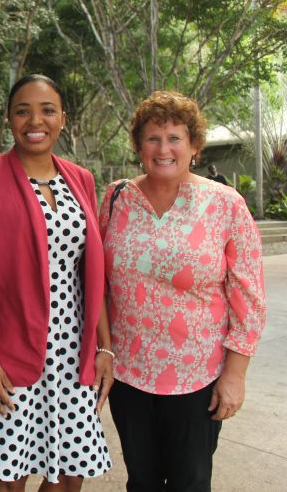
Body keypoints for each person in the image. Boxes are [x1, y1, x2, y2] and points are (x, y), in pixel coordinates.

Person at [99, 91, 266, 491]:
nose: (163, 149)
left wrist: (235, 374)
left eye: (174, 138)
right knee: (141, 479)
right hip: (129, 373)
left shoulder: (226, 204)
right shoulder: (117, 197)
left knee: (190, 482)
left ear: (193, 146)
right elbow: (99, 283)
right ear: (139, 146)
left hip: (197, 376)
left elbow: (250, 297)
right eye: (153, 138)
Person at [0, 74, 113, 491]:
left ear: (63, 118)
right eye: (22, 110)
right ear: (8, 119)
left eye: (47, 110)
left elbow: (90, 274)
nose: (35, 120)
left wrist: (104, 347)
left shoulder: (81, 179)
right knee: (10, 478)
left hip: (71, 355)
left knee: (69, 475)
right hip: (10, 353)